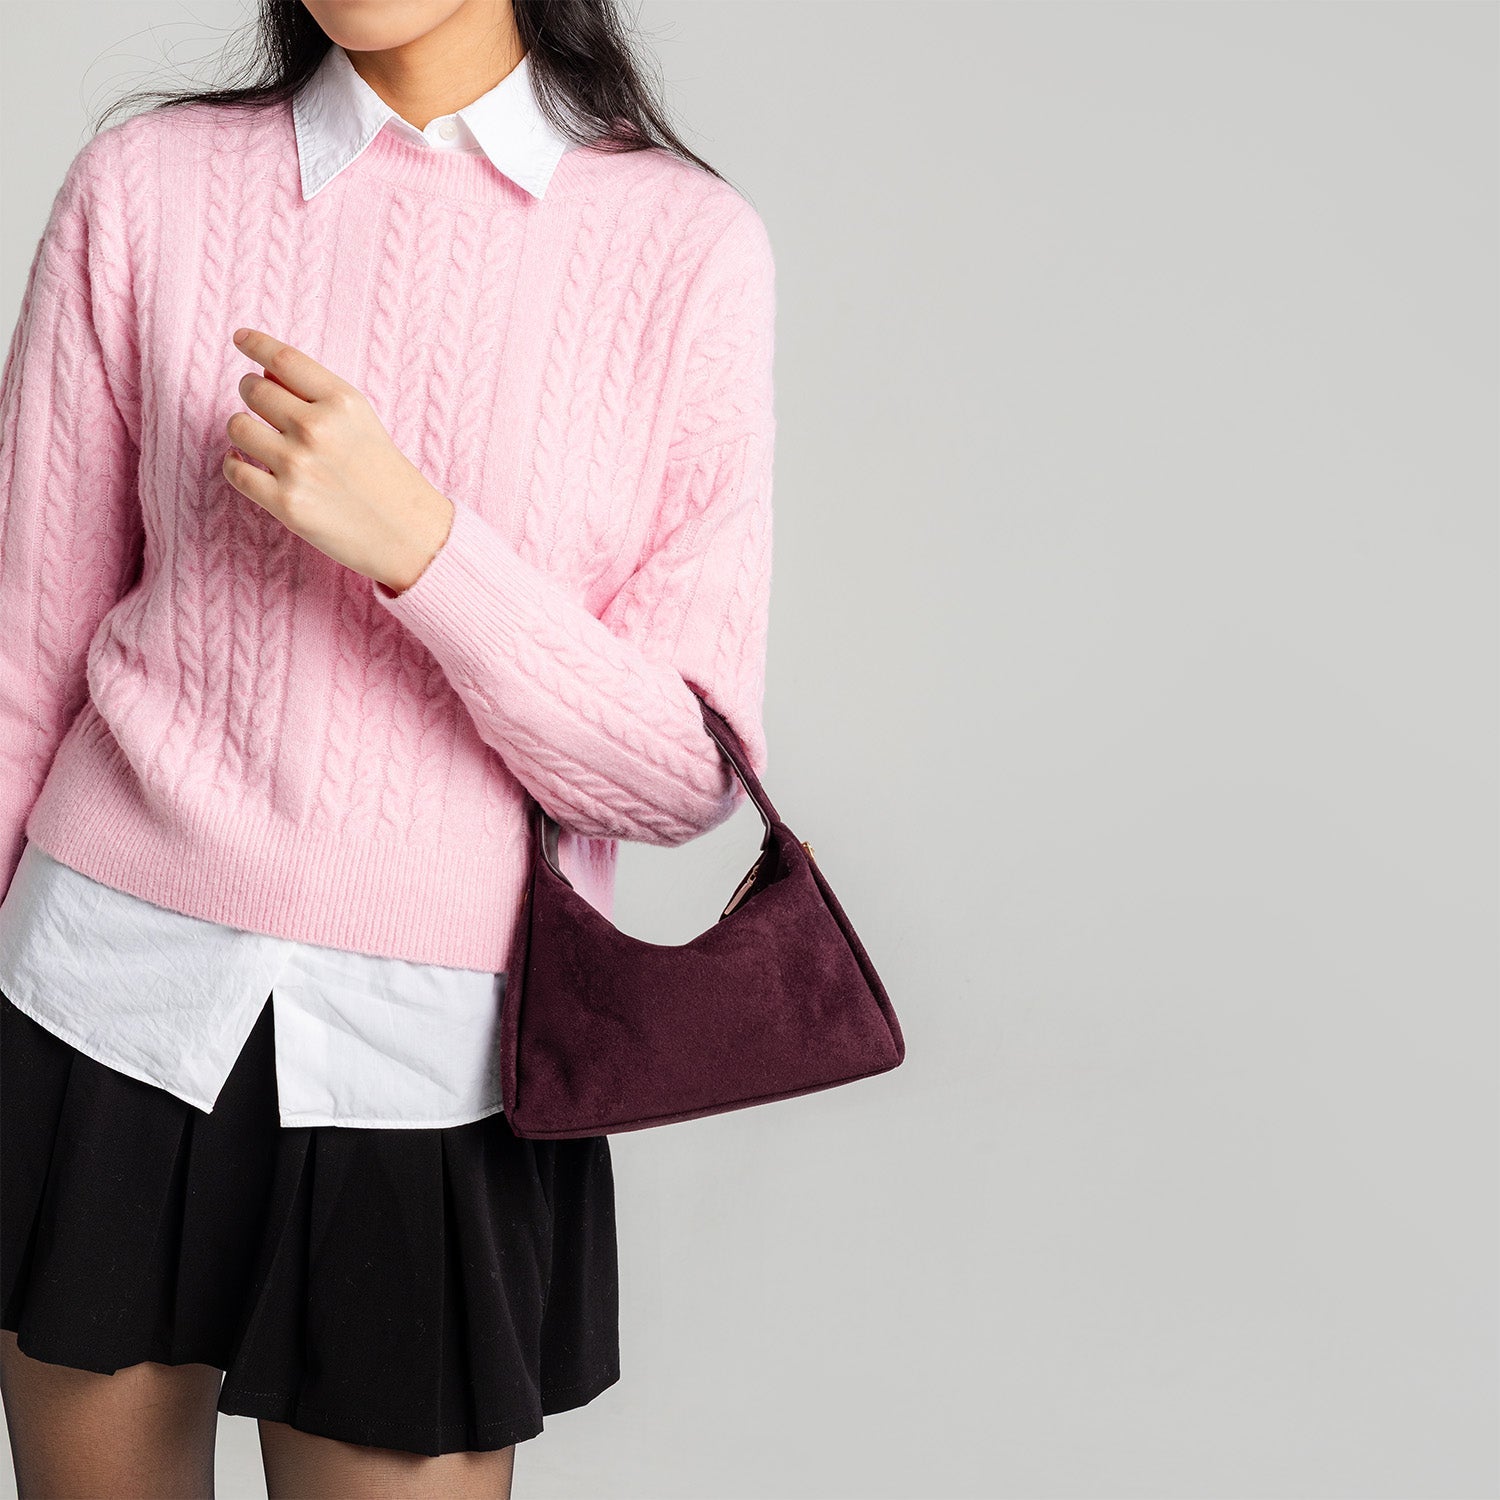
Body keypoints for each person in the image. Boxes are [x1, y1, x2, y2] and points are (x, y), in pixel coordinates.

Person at [0, 0, 776, 1493]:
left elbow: (684, 772)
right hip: (95, 1004)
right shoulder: (145, 185)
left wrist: (421, 545)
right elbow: (21, 659)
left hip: (431, 1060)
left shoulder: (684, 248)